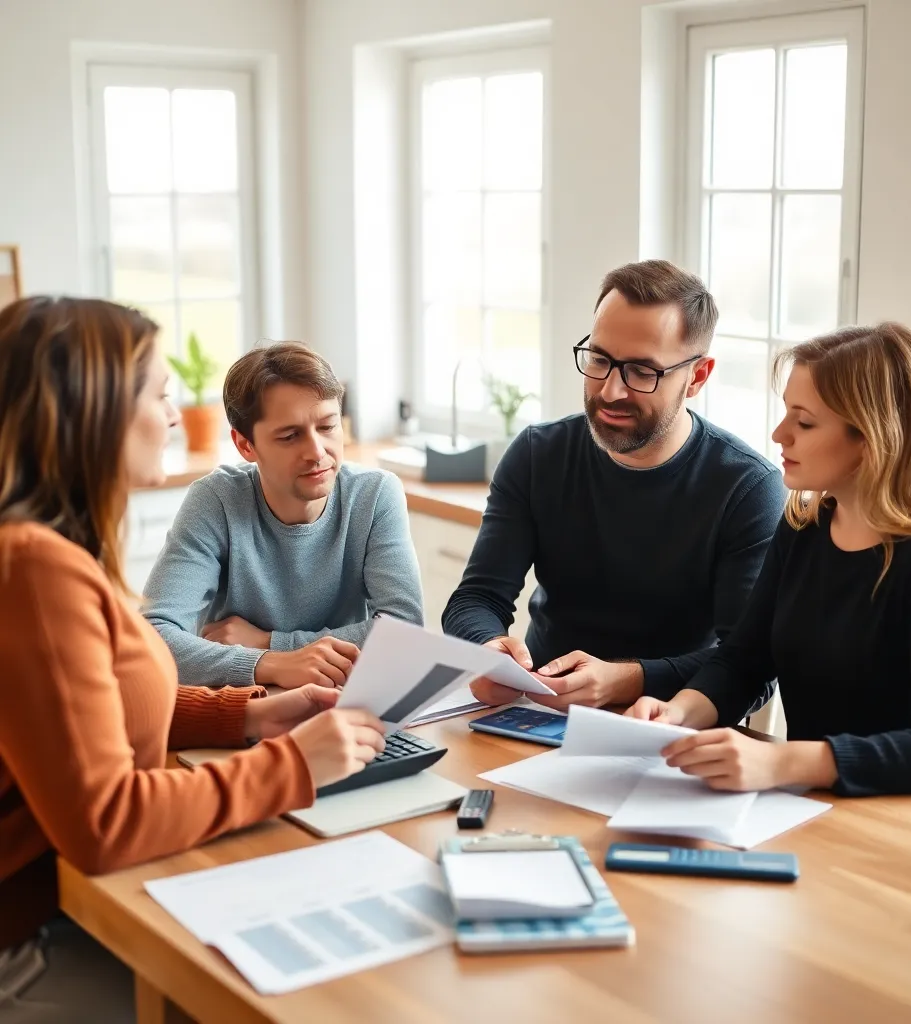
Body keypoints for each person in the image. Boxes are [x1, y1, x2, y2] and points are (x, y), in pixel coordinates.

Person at [0, 297, 388, 1019]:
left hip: (71, 902)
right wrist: (294, 765)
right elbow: (106, 821)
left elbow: (98, 712)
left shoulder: (54, 552)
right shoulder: (33, 569)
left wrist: (249, 714)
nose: (176, 418)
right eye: (159, 394)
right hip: (37, 936)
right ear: (93, 412)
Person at [626, 322, 911, 800]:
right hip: (828, 802)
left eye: (804, 422)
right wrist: (680, 712)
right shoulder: (804, 527)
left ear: (873, 438)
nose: (779, 434)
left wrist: (783, 760)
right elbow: (745, 659)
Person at [443, 260, 787, 712]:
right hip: (538, 712)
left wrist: (628, 680)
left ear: (697, 376)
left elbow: (749, 665)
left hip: (666, 727)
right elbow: (476, 598)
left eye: (642, 372)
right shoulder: (536, 455)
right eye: (600, 360)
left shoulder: (746, 488)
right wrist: (487, 651)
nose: (609, 391)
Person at [143, 342, 423, 689]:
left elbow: (405, 632)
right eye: (290, 436)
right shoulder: (216, 500)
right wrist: (272, 665)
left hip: (344, 699)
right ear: (246, 445)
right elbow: (153, 638)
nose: (317, 453)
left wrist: (269, 643)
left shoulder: (375, 494)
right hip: (245, 704)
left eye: (327, 427)